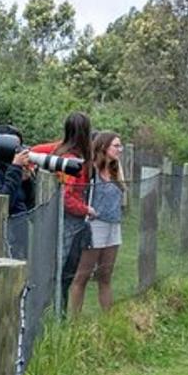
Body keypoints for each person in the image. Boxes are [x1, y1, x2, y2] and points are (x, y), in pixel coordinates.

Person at [31, 112, 95, 312]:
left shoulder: (58, 149)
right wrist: (86, 209)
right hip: (68, 222)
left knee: (58, 268)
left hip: (54, 217)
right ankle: (56, 312)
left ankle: (55, 310)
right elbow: (67, 197)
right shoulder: (72, 161)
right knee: (63, 270)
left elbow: (32, 151)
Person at [68, 131, 126, 314]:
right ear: (103, 147)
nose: (120, 150)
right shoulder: (91, 170)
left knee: (105, 276)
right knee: (83, 276)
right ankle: (74, 324)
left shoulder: (116, 170)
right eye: (116, 146)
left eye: (120, 146)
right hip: (95, 226)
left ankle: (109, 320)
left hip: (114, 226)